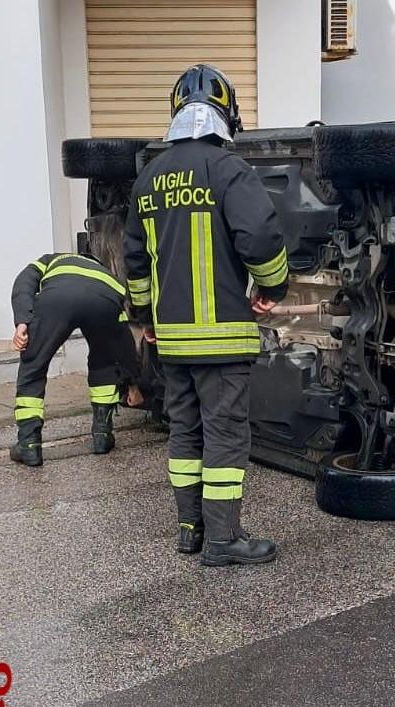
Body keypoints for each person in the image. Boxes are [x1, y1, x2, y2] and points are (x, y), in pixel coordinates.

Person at [123, 64, 290, 566]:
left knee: (185, 431)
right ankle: (224, 540)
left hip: (172, 342)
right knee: (224, 435)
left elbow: (135, 261)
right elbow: (259, 238)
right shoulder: (229, 169)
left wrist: (145, 314)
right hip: (222, 340)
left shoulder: (149, 179)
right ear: (227, 115)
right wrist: (272, 284)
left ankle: (190, 529)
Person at [10, 251, 140, 466]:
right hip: (103, 303)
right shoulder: (109, 277)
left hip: (57, 299)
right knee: (105, 362)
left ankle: (29, 445)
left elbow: (23, 283)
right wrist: (132, 382)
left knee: (33, 366)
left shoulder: (50, 260)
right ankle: (102, 436)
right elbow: (123, 341)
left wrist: (22, 321)